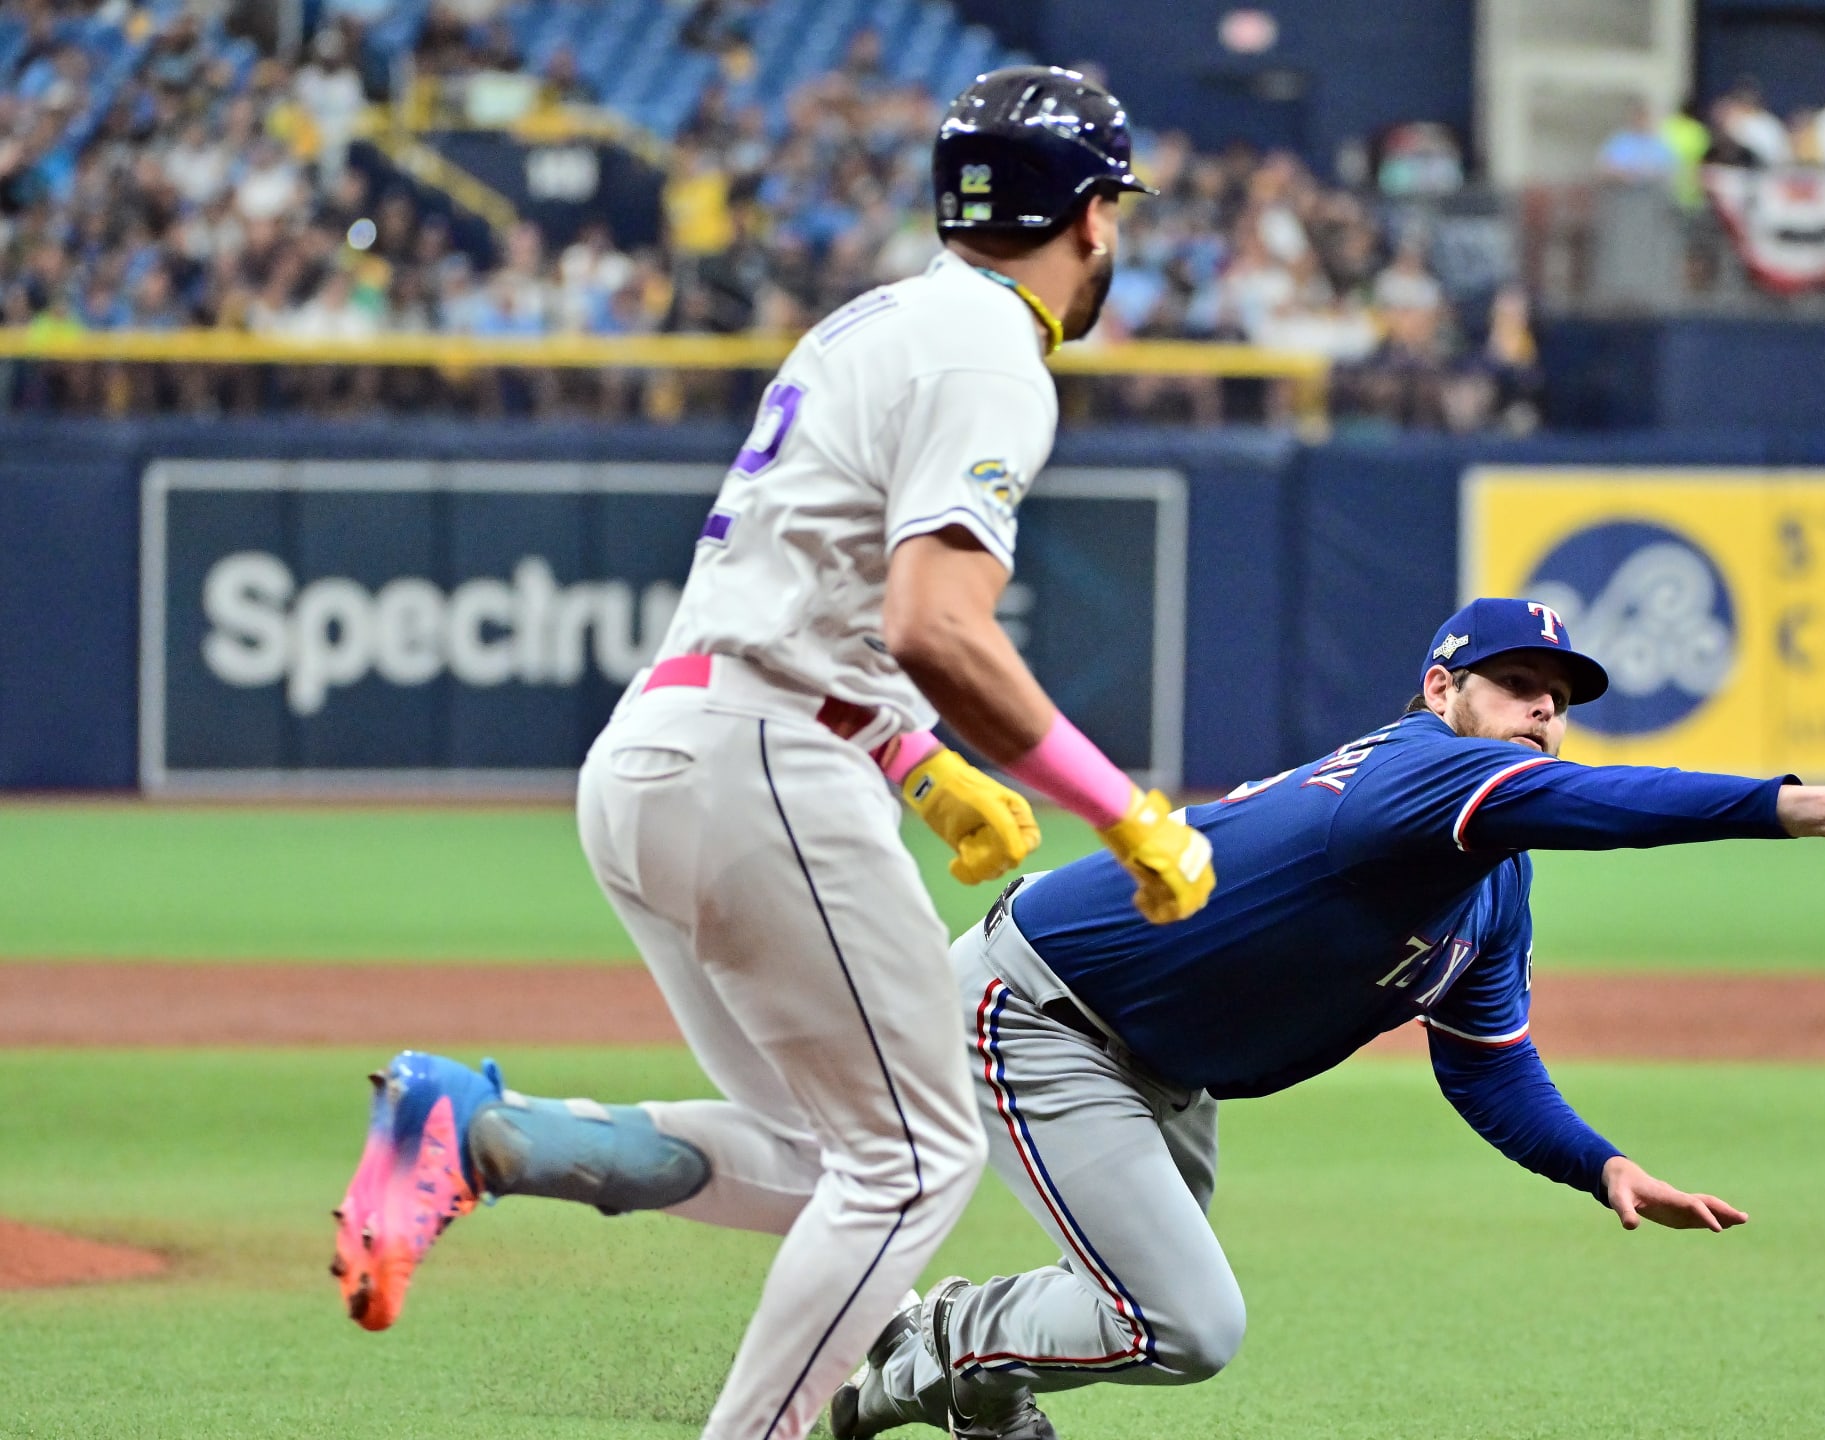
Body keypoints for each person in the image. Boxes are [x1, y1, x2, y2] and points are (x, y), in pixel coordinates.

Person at [328, 67, 1214, 1440]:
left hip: (663, 753)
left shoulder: (874, 323)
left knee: (829, 1160)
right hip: (762, 769)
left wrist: (922, 769)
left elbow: (809, 603)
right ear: (1094, 214)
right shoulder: (993, 350)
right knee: (918, 1164)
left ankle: (484, 1134)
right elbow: (933, 622)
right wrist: (1121, 807)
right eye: (1116, 212)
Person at [830, 597, 1825, 1437]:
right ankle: (942, 1339)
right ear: (1440, 689)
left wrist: (1597, 1164)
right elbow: (1605, 805)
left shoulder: (1492, 889)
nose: (1542, 713)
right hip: (1042, 1011)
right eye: (1517, 685)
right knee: (1184, 1323)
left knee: (1128, 1297)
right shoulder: (1412, 773)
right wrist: (1801, 806)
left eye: (1558, 699)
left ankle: (918, 1387)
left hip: (1160, 1057)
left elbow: (1486, 1066)